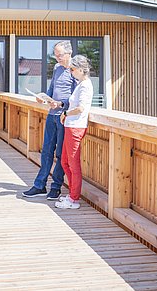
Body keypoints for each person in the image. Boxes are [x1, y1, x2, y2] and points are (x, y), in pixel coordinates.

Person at [22, 41, 77, 200]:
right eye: (56, 55)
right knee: (46, 151)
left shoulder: (74, 71)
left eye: (60, 55)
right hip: (51, 115)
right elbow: (52, 89)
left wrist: (61, 104)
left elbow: (75, 97)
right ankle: (40, 185)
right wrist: (43, 98)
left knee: (60, 154)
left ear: (69, 53)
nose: (57, 58)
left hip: (63, 117)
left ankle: (55, 187)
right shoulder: (57, 69)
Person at [55, 55, 94, 209]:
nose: (70, 72)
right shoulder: (80, 84)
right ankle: (72, 194)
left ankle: (73, 199)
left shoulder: (85, 85)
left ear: (79, 69)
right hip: (70, 127)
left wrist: (65, 114)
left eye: (72, 69)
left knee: (73, 165)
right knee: (65, 161)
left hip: (76, 127)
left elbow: (81, 108)